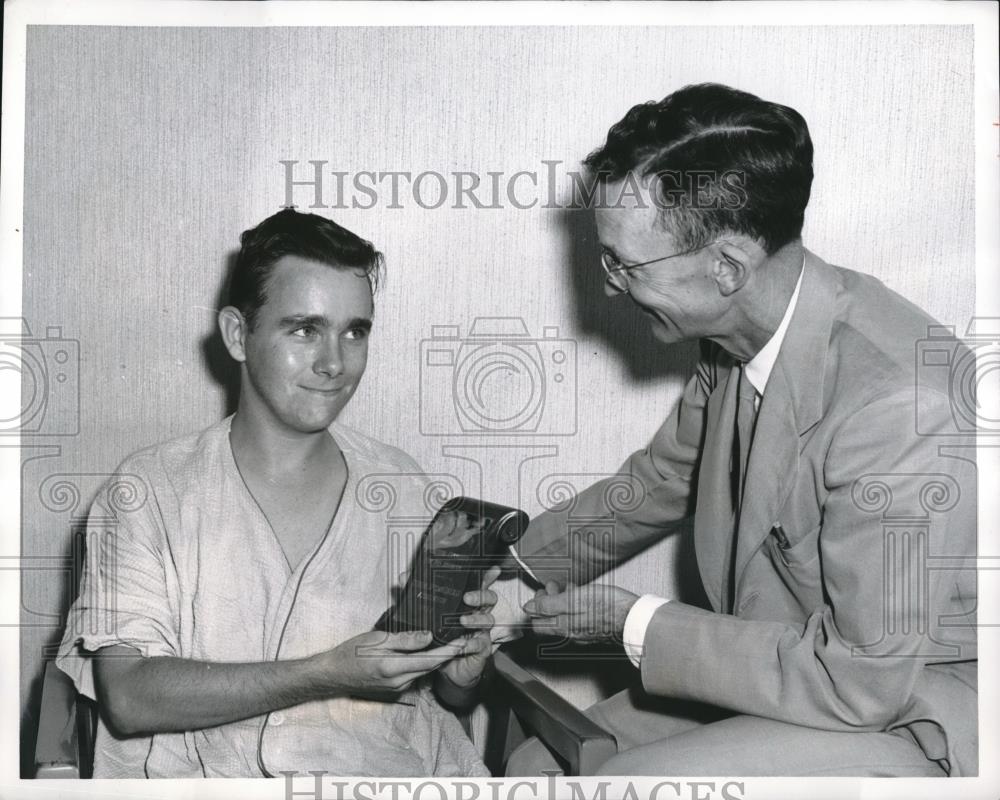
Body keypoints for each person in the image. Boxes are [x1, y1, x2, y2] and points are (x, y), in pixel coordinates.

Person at [506, 83, 977, 777]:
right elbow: (665, 477)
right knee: (537, 763)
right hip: (788, 671)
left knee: (612, 785)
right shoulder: (735, 336)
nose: (608, 288)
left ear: (727, 267)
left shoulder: (901, 405)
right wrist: (509, 564)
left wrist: (632, 624)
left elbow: (862, 680)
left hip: (912, 709)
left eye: (623, 265)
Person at [56, 209, 496, 778]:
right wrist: (324, 672)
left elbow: (450, 703)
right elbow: (130, 696)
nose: (335, 363)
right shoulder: (146, 492)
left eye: (354, 331)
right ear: (238, 335)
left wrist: (462, 675)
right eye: (305, 329)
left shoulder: (406, 486)